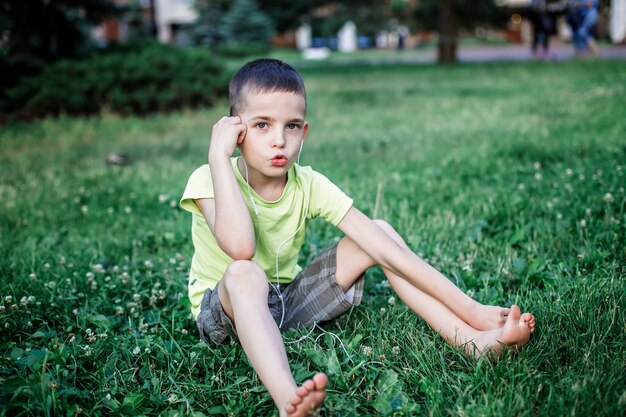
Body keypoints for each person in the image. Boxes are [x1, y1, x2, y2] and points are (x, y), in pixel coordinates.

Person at [180, 59, 536, 417]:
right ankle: (290, 401)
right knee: (246, 272)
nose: (279, 140)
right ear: (235, 131)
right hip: (225, 313)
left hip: (285, 303)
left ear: (304, 133)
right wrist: (217, 156)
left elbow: (389, 251)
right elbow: (241, 249)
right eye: (262, 125)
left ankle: (471, 341)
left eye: (291, 126)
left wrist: (470, 308)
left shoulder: (308, 184)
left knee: (379, 231)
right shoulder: (210, 177)